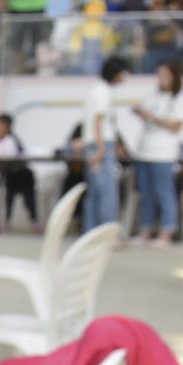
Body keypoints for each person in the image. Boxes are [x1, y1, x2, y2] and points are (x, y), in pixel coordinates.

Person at [132, 60, 183, 246]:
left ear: (174, 76)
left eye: (165, 75)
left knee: (165, 193)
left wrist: (152, 117)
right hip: (144, 152)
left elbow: (176, 125)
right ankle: (145, 231)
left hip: (164, 154)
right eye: (159, 74)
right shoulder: (151, 97)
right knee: (145, 194)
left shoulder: (181, 98)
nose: (161, 78)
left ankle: (167, 232)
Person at [82, 55, 131, 232]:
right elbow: (99, 120)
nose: (124, 78)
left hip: (96, 144)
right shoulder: (103, 91)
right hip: (101, 145)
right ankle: (108, 233)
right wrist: (101, 149)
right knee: (107, 192)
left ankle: (91, 231)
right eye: (123, 74)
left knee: (95, 192)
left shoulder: (98, 89)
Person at [0, 112, 39, 229]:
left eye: (2, 125)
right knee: (8, 199)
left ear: (8, 126)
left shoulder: (13, 140)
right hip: (9, 175)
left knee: (29, 200)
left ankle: (34, 221)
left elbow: (16, 157)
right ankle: (6, 221)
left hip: (22, 174)